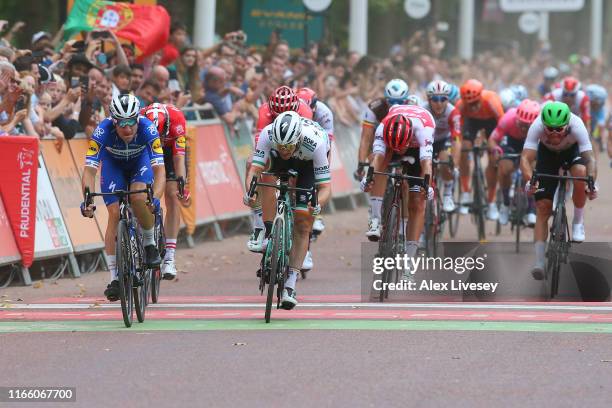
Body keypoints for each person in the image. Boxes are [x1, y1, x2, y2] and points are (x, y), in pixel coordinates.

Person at [80, 93, 166, 301]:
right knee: (113, 213)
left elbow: (160, 171)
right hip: (113, 166)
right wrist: (88, 199)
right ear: (113, 121)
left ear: (137, 119)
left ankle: (149, 244)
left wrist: (155, 197)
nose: (127, 129)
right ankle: (115, 277)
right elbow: (89, 171)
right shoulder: (102, 131)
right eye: (121, 123)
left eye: (131, 123)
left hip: (140, 163)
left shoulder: (148, 129)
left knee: (138, 197)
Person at [244, 111, 332, 309]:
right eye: (281, 146)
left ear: (298, 138)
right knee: (266, 180)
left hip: (306, 162)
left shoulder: (316, 143)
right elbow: (254, 171)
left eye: (288, 146)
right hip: (279, 160)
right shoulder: (268, 135)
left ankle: (291, 283)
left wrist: (317, 205)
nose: (284, 150)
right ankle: (267, 234)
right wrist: (250, 191)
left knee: (303, 221)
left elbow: (325, 188)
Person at [520, 102, 597, 279]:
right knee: (542, 208)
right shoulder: (536, 125)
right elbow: (526, 158)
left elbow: (590, 159)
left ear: (567, 125)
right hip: (546, 156)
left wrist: (591, 183)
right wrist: (530, 181)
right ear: (543, 124)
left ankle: (578, 221)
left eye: (559, 129)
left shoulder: (577, 125)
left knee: (580, 173)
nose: (554, 133)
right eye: (549, 129)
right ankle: (539, 262)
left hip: (572, 153)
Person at [361, 104, 435, 278]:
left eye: (401, 148)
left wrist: (428, 185)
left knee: (417, 203)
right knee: (380, 167)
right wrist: (367, 177)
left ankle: (409, 260)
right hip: (392, 137)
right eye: (396, 148)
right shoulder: (382, 128)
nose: (399, 151)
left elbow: (426, 164)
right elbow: (377, 159)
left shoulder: (424, 130)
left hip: (417, 149)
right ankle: (375, 219)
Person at [246, 86, 313, 253]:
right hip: (273, 142)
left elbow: (307, 143)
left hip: (297, 145)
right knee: (254, 165)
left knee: (301, 175)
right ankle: (259, 223)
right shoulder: (264, 111)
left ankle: (305, 246)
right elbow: (260, 145)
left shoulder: (305, 110)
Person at [356, 78, 410, 240]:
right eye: (391, 101)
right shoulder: (375, 107)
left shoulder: (413, 107)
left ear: (406, 100)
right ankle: (375, 219)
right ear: (385, 99)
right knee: (377, 169)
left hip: (405, 145)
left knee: (407, 181)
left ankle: (404, 225)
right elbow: (366, 138)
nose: (395, 105)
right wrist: (361, 164)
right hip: (383, 143)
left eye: (399, 102)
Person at [142, 103, 190, 280]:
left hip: (170, 154)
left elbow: (179, 159)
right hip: (145, 150)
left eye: (161, 136)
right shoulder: (139, 119)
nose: (159, 141)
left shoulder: (177, 120)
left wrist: (181, 184)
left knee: (172, 194)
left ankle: (169, 257)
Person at [296, 87, 334, 272]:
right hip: (294, 144)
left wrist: (323, 174)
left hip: (317, 143)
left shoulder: (324, 113)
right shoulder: (295, 110)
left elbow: (327, 148)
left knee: (316, 183)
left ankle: (315, 217)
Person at [455, 79, 504, 220]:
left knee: (493, 158)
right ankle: (465, 191)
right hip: (472, 123)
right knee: (464, 148)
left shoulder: (491, 100)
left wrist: (491, 141)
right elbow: (457, 130)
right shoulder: (461, 106)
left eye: (475, 103)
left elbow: (502, 124)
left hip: (492, 123)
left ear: (480, 97)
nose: (473, 106)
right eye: (469, 104)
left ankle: (491, 201)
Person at [488, 99, 540, 226]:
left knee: (533, 170)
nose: (523, 128)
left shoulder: (541, 125)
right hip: (512, 141)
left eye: (527, 125)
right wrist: (496, 149)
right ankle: (505, 204)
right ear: (516, 118)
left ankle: (531, 208)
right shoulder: (508, 119)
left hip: (531, 142)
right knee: (504, 168)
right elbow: (492, 140)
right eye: (520, 123)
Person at [423, 80, 461, 213]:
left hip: (444, 141)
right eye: (435, 99)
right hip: (427, 141)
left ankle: (448, 193)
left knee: (445, 160)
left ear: (447, 99)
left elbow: (457, 139)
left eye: (443, 99)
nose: (439, 103)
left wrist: (454, 165)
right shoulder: (422, 110)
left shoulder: (453, 112)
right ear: (429, 99)